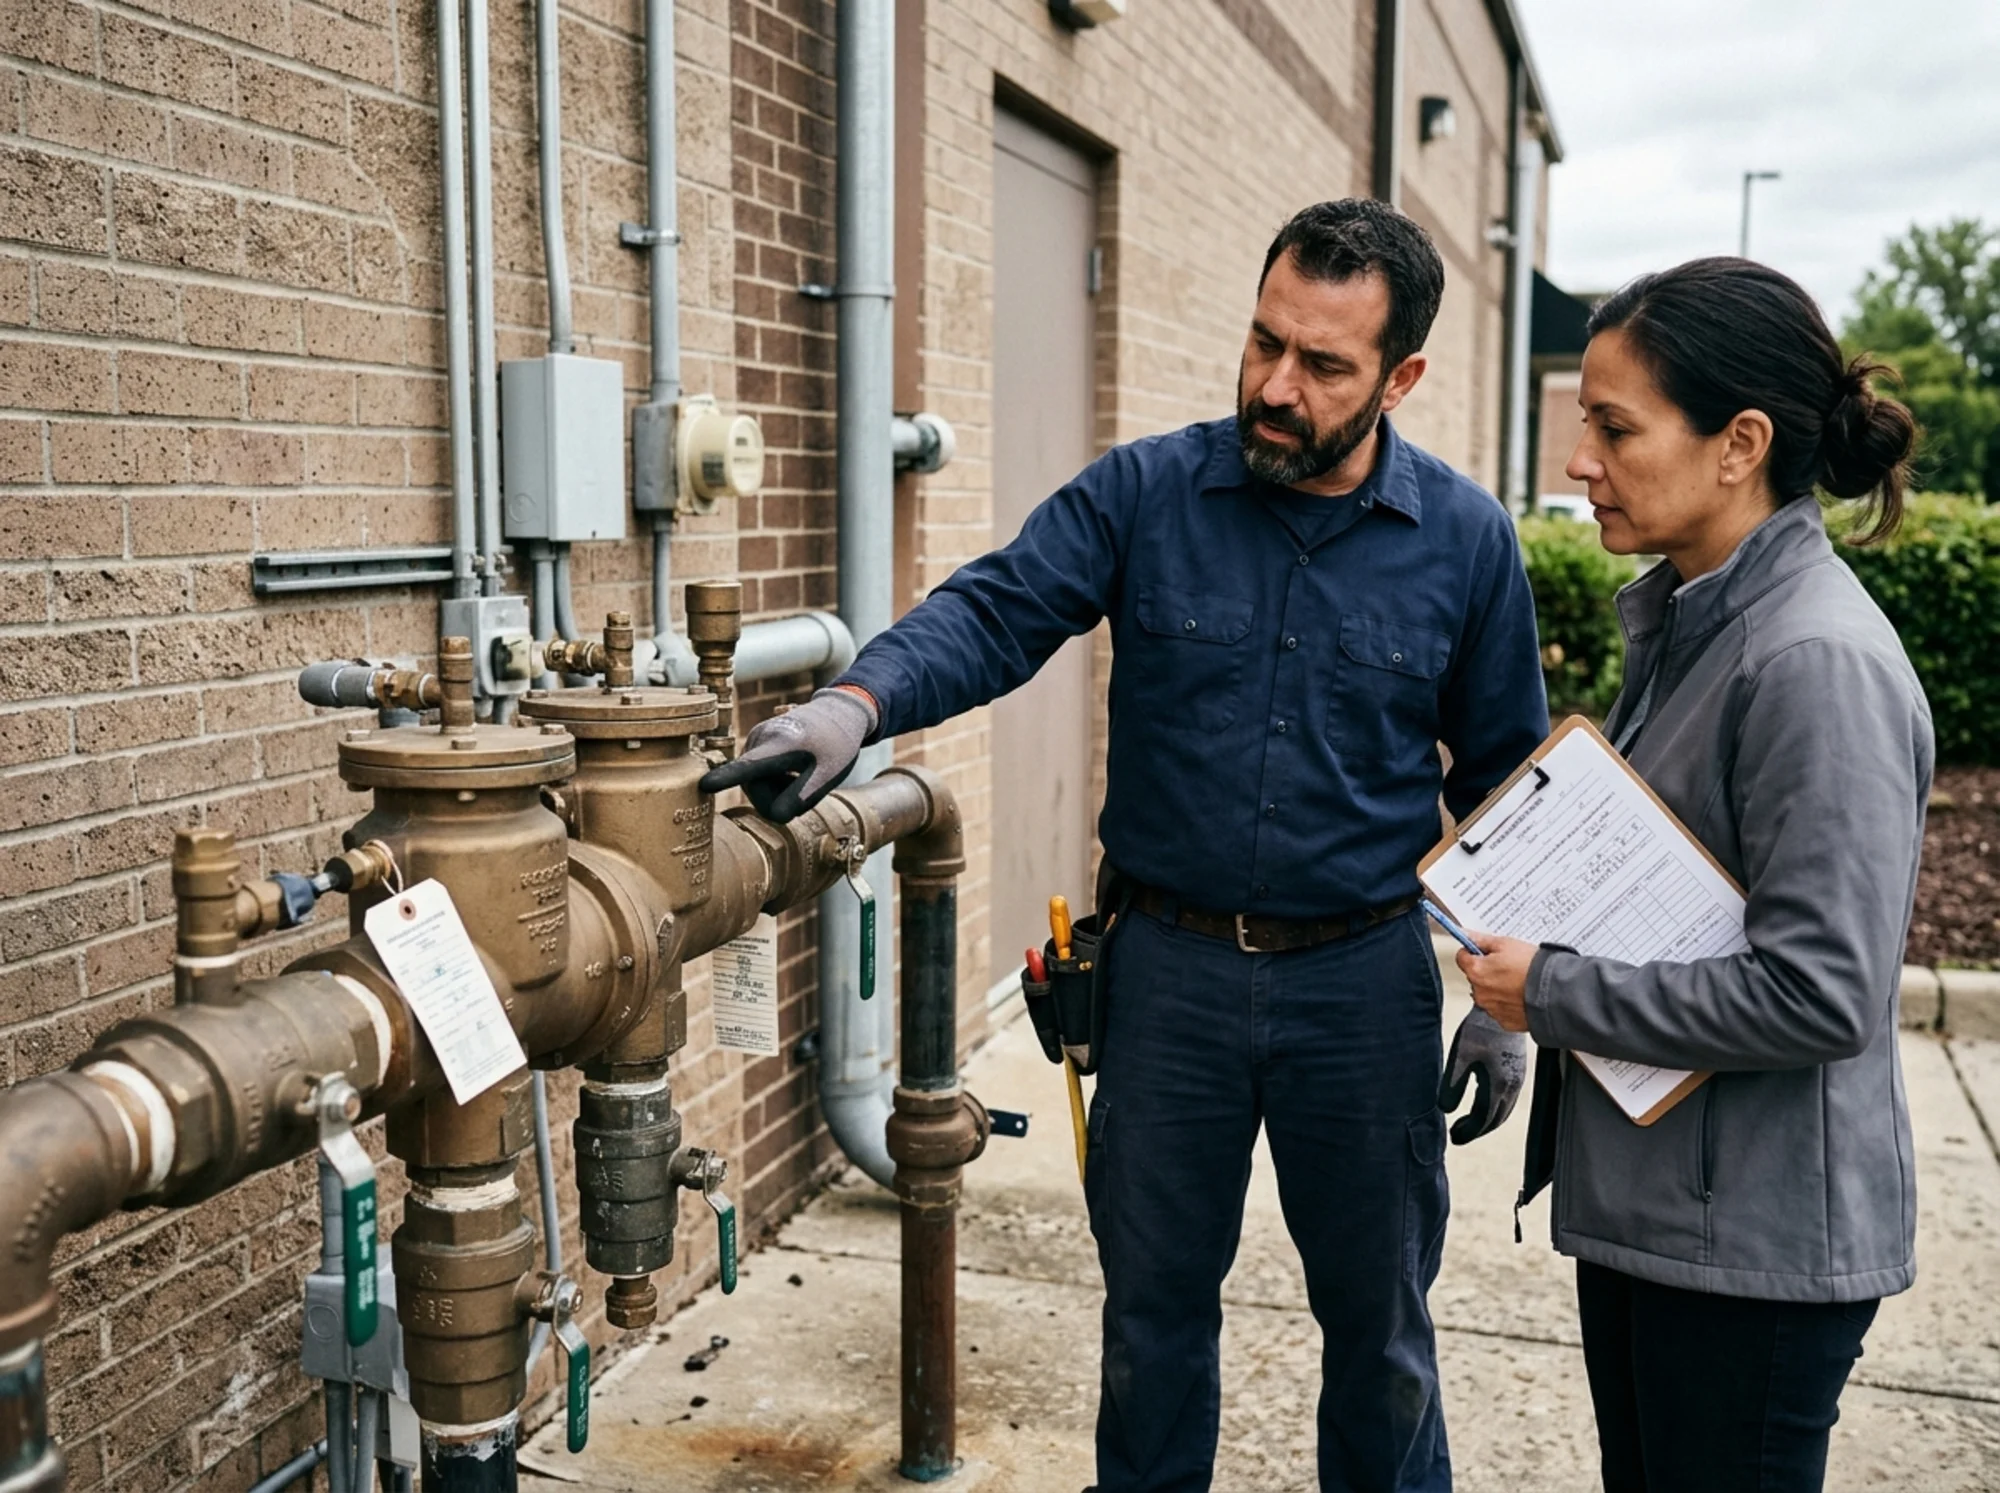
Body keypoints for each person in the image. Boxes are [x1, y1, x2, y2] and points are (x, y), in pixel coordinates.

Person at [703, 199, 1550, 1492]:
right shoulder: (1147, 493)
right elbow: (998, 609)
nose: (1276, 385)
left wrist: (1508, 1002)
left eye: (1324, 366)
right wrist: (849, 707)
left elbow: (1503, 783)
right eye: (1266, 341)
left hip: (1361, 989)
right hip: (1170, 985)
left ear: (1403, 378)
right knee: (1152, 1327)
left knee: (1381, 1339)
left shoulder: (1469, 543)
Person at [1456, 257, 1930, 1493]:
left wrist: (1549, 990)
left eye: (1614, 427)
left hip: (1752, 1253)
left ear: (1739, 444)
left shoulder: (1812, 662)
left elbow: (1820, 993)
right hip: (1671, 1225)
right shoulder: (1691, 619)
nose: (1578, 462)